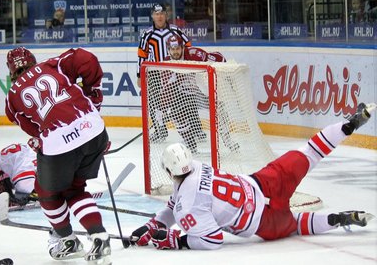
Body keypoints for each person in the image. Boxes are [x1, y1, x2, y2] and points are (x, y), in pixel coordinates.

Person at [129, 102, 375, 250]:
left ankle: (337, 219)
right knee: (310, 151)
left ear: (169, 171)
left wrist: (176, 241)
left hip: (262, 223)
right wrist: (153, 225)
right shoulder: (197, 166)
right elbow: (178, 200)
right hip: (264, 182)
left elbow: (212, 239)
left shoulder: (187, 207)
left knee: (296, 225)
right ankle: (348, 125)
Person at [5, 46, 111, 263]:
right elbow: (87, 59)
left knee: (47, 192)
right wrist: (91, 92)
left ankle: (68, 240)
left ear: (10, 73)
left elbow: (31, 127)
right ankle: (99, 236)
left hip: (60, 142)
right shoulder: (54, 64)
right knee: (74, 189)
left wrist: (42, 138)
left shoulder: (12, 96)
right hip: (94, 130)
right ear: (33, 61)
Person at [156, 35, 234, 152]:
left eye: (177, 48)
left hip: (203, 90)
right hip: (184, 94)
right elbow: (167, 90)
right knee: (175, 114)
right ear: (168, 49)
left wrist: (224, 69)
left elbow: (218, 57)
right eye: (172, 49)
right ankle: (190, 144)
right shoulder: (167, 65)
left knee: (219, 110)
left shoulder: (194, 54)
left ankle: (228, 141)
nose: (175, 52)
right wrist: (161, 109)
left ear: (182, 48)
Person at [137, 3, 191, 143]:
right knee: (153, 102)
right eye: (156, 14)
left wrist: (188, 65)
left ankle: (194, 130)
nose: (159, 16)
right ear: (152, 16)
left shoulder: (175, 30)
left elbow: (188, 46)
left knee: (184, 99)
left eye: (161, 13)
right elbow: (142, 55)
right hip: (155, 73)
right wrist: (139, 75)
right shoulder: (147, 34)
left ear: (166, 15)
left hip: (175, 71)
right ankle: (160, 130)